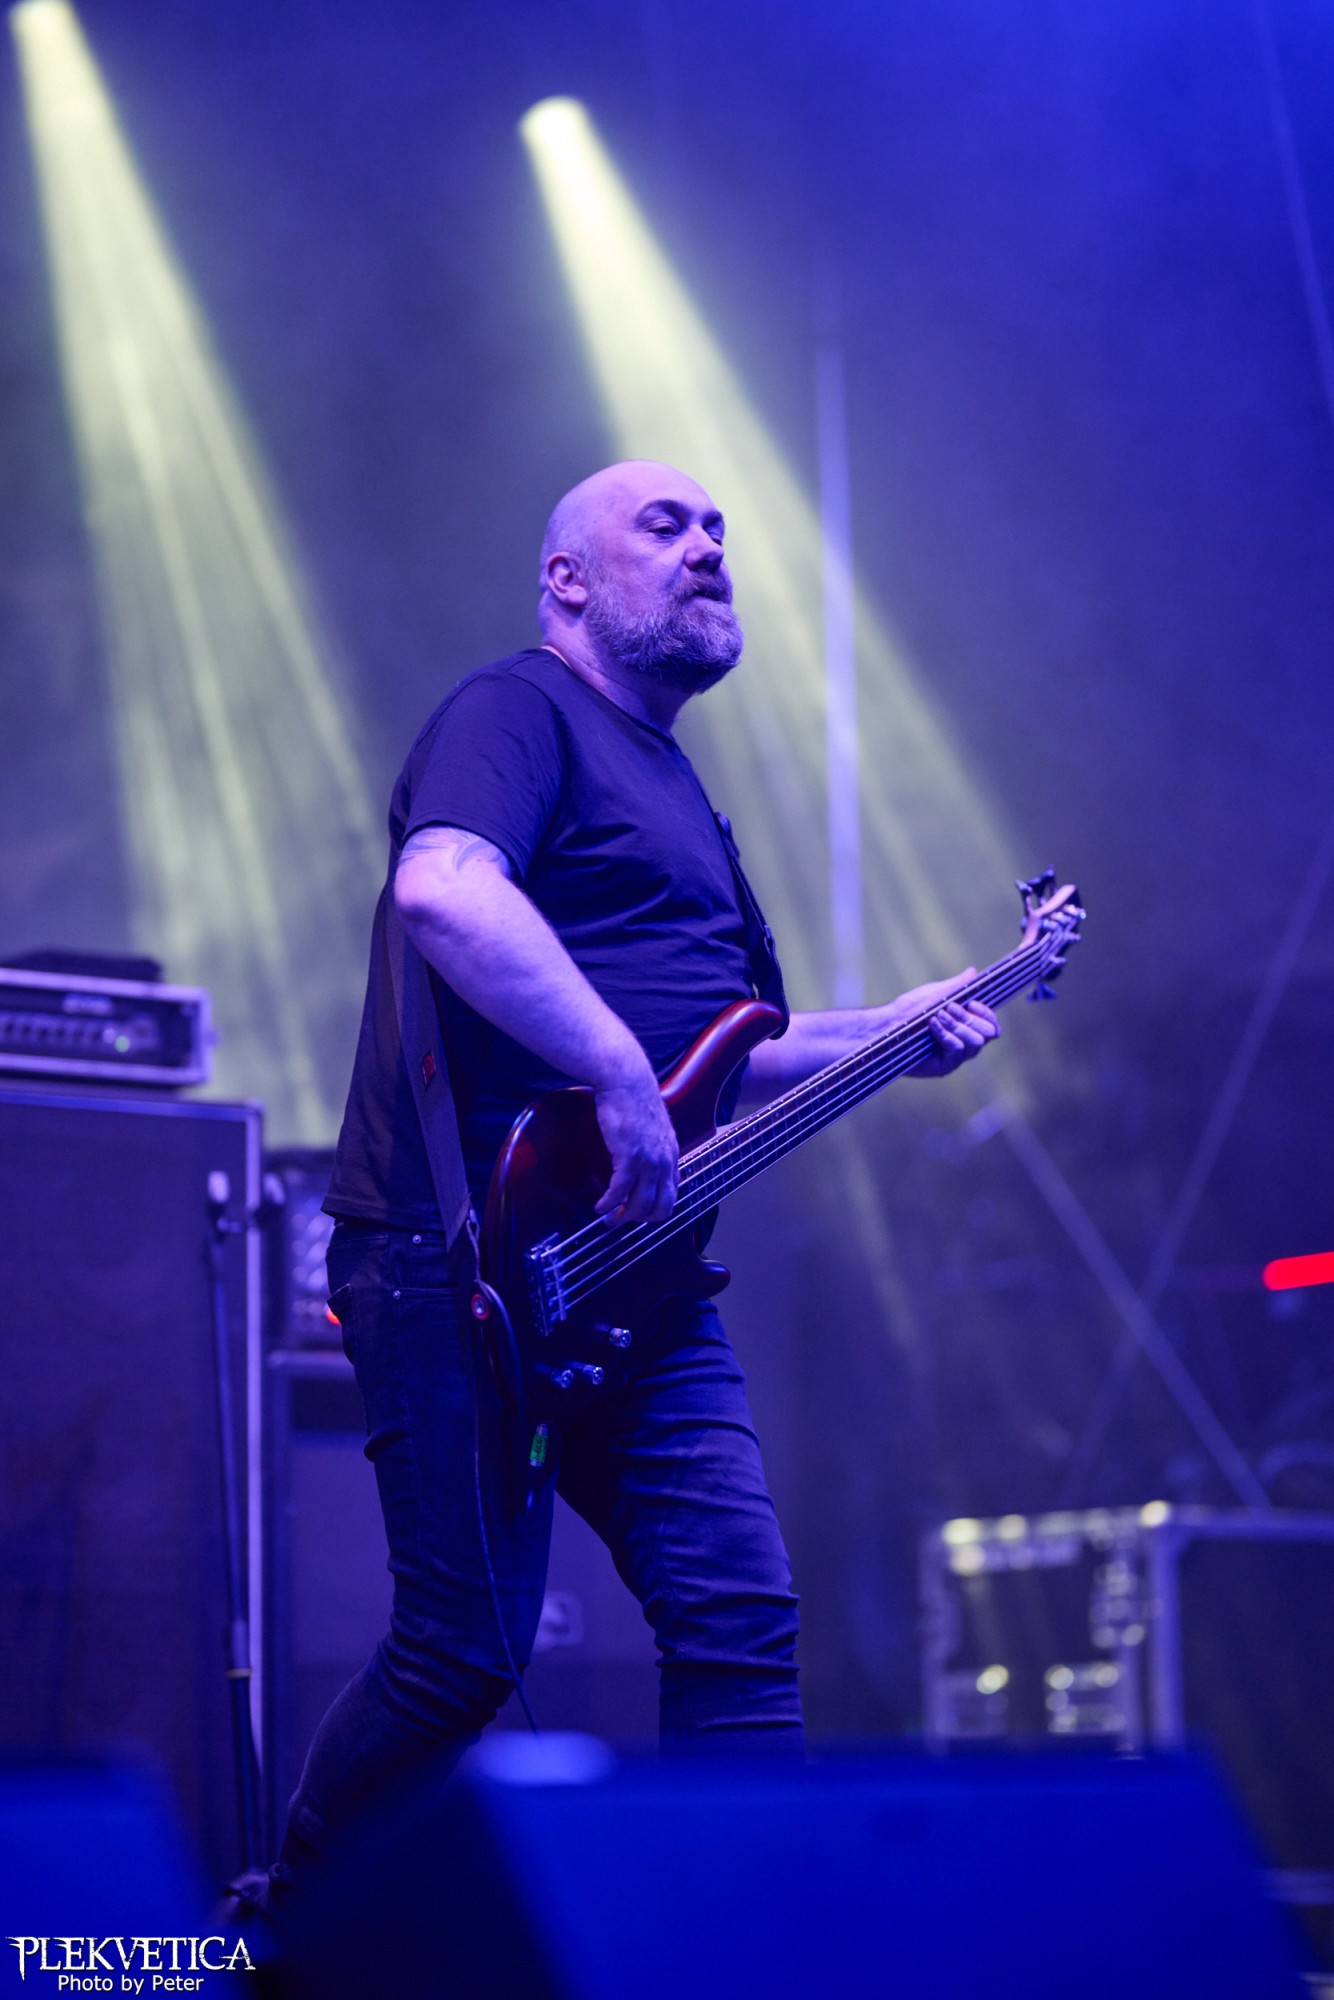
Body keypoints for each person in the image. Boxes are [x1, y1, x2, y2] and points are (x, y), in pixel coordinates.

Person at [270, 458, 999, 1896]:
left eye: (719, 526)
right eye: (665, 525)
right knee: (459, 1655)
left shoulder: (679, 790)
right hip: (457, 1254)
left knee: (739, 1617)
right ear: (569, 579)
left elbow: (719, 1052)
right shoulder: (516, 712)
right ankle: (279, 1928)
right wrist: (610, 1067)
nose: (708, 544)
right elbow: (444, 889)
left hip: (634, 1274)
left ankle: (737, 1946)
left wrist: (891, 1031)